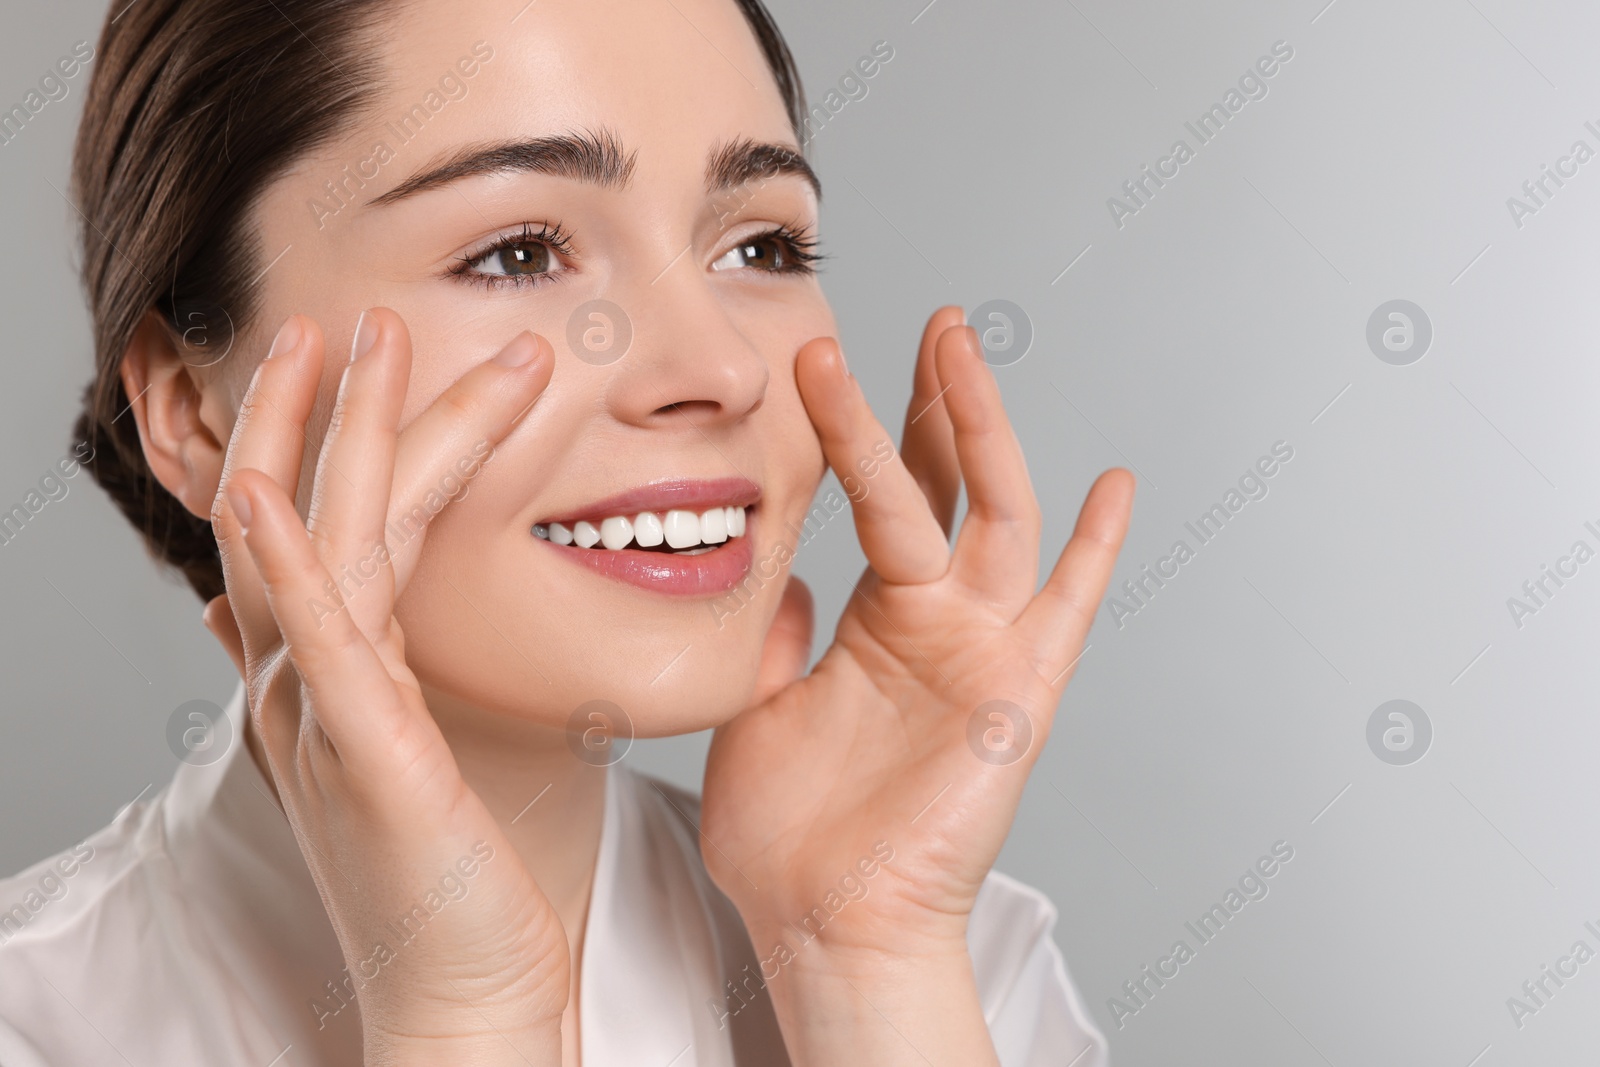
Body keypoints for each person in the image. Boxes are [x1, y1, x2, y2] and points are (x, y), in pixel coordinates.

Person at [0, 0, 1134, 1063]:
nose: (722, 369)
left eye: (760, 247)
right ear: (193, 410)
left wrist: (866, 959)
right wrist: (460, 1013)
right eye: (520, 253)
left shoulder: (953, 969)